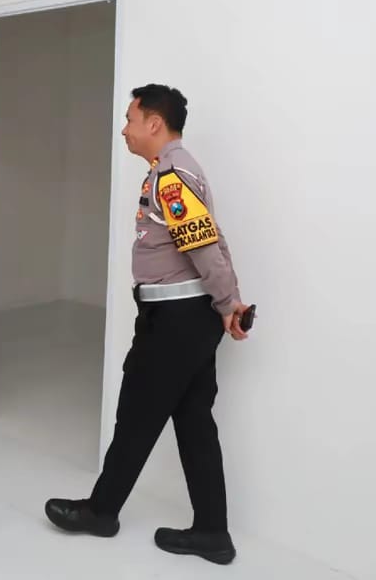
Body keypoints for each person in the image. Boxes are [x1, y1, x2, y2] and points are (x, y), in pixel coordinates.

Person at [44, 84, 251, 565]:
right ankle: (212, 533)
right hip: (190, 316)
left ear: (154, 123)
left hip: (177, 319)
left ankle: (101, 512)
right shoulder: (173, 170)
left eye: (130, 119)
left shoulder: (172, 177)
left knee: (137, 412)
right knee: (194, 420)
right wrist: (229, 301)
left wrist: (228, 302)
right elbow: (214, 240)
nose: (124, 129)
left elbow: (204, 245)